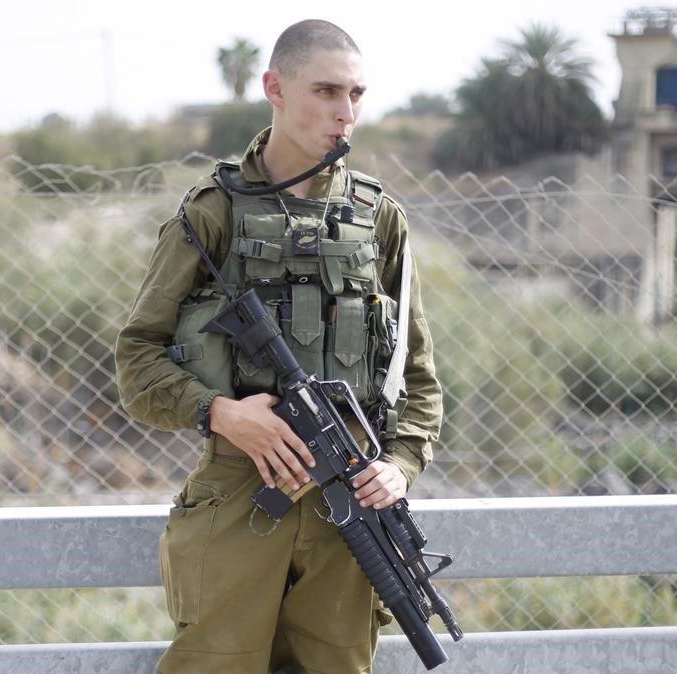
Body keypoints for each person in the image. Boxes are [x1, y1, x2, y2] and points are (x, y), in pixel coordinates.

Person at [114, 18, 443, 674]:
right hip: (241, 496)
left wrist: (397, 468)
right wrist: (224, 414)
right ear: (275, 88)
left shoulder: (379, 219)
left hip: (351, 511)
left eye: (356, 95)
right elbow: (137, 361)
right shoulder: (212, 212)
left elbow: (418, 381)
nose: (344, 113)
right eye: (325, 91)